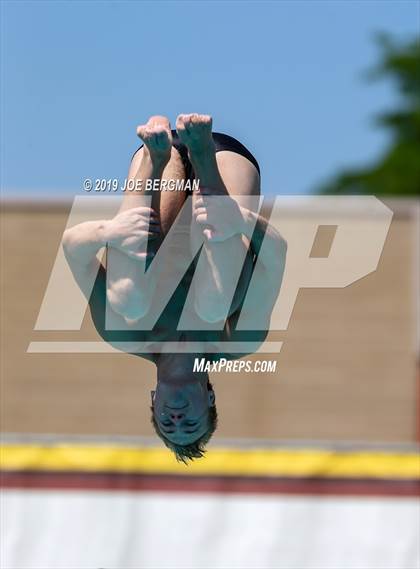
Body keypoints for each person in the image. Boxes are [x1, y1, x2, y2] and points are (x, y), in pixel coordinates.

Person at [62, 114, 286, 463]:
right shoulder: (239, 340)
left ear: (154, 399)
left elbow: (74, 249)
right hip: (225, 168)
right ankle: (204, 163)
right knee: (214, 306)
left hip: (156, 174)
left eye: (167, 422)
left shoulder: (123, 335)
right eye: (190, 422)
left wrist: (109, 232)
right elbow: (275, 256)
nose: (177, 417)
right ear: (210, 400)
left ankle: (155, 158)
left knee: (128, 302)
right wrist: (239, 218)